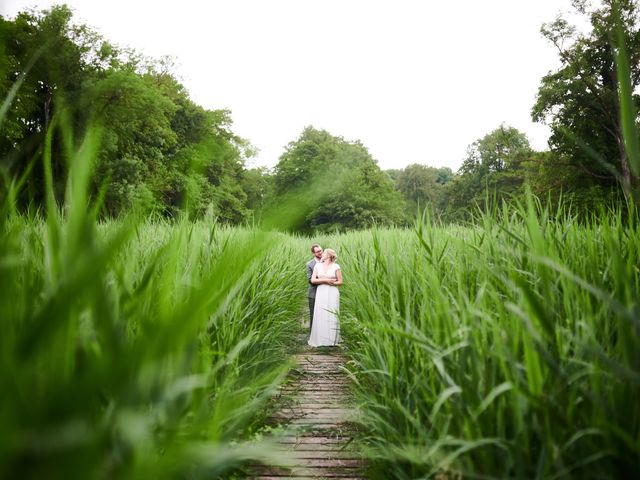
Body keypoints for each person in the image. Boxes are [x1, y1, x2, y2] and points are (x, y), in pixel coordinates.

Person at [308, 248, 343, 347]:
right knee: (321, 312)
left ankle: (332, 339)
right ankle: (320, 339)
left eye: (324, 253)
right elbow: (313, 280)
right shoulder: (317, 266)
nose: (321, 254)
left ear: (328, 255)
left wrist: (331, 283)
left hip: (332, 292)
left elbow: (340, 282)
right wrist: (326, 281)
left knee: (332, 312)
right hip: (321, 291)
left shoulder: (336, 266)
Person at [306, 244, 323, 329]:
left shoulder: (327, 262)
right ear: (313, 253)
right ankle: (312, 334)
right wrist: (324, 280)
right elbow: (310, 280)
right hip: (314, 293)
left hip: (326, 292)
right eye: (318, 251)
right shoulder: (310, 264)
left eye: (321, 250)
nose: (320, 253)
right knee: (313, 314)